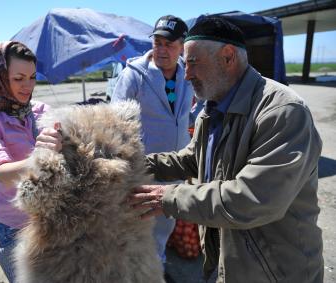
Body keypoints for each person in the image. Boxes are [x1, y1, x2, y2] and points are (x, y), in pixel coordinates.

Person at [130, 17, 323, 283]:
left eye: (194, 62)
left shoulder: (283, 112)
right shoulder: (212, 107)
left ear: (228, 57)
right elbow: (191, 159)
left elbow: (254, 198)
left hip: (274, 271)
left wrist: (168, 198)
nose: (186, 74)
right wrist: (134, 163)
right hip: (228, 264)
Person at [0, 41, 62, 282]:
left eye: (32, 77)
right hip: (15, 226)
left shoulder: (41, 110)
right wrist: (40, 156)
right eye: (19, 78)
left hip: (50, 218)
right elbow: (2, 172)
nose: (27, 86)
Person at [111, 15, 193, 265]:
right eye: (157, 43)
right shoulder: (135, 74)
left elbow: (194, 110)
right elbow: (115, 119)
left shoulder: (188, 73)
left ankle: (157, 264)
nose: (161, 50)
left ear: (182, 46)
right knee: (139, 223)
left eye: (169, 44)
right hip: (145, 166)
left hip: (176, 164)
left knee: (166, 220)